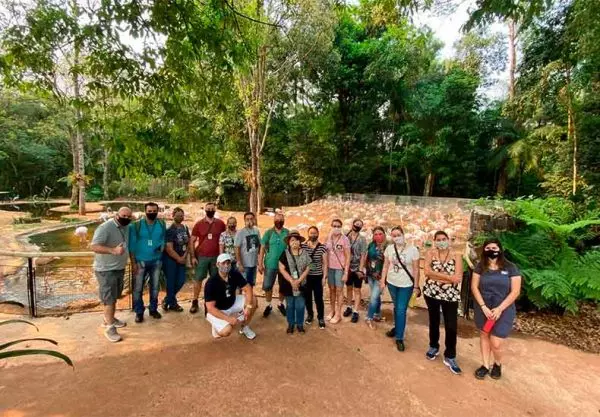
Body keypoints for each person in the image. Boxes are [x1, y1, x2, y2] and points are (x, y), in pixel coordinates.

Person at [471, 239, 522, 380]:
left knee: (496, 342)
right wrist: (483, 307)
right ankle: (485, 365)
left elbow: (515, 291)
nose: (491, 250)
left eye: (494, 248)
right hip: (484, 308)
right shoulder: (480, 267)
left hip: (503, 309)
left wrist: (499, 309)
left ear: (500, 249)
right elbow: (474, 287)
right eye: (488, 248)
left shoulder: (510, 267)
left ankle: (497, 364)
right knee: (484, 334)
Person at [423, 231, 463, 375]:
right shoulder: (430, 253)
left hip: (450, 294)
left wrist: (436, 277)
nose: (441, 241)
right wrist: (448, 278)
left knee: (451, 325)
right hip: (431, 292)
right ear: (434, 241)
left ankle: (450, 355)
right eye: (438, 239)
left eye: (443, 239)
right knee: (433, 321)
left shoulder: (457, 256)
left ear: (448, 240)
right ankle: (433, 346)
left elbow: (458, 277)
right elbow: (426, 272)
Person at [90, 206, 132, 342]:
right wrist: (113, 250)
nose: (126, 218)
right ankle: (109, 327)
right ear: (116, 215)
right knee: (109, 299)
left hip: (119, 267)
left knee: (115, 296)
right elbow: (94, 246)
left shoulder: (126, 227)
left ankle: (110, 318)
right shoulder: (105, 227)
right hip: (106, 269)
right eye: (123, 216)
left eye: (128, 217)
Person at [381, 226, 420, 352]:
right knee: (396, 307)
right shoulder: (389, 248)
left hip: (406, 284)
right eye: (394, 236)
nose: (396, 237)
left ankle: (399, 337)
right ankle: (397, 328)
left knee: (401, 309)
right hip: (392, 282)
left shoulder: (413, 250)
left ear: (403, 235)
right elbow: (386, 266)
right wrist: (383, 280)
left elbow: (416, 269)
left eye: (398, 235)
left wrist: (416, 286)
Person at [204, 253, 257, 340]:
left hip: (231, 302)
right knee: (226, 331)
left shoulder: (234, 274)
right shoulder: (211, 282)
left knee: (253, 300)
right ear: (217, 264)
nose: (226, 265)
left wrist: (248, 306)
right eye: (223, 263)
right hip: (217, 309)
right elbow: (210, 308)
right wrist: (228, 319)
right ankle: (216, 327)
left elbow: (248, 288)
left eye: (228, 263)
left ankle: (244, 327)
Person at [129, 202, 167, 323]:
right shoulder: (136, 225)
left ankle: (153, 309)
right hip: (140, 261)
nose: (152, 213)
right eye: (149, 211)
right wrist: (133, 263)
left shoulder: (161, 224)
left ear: (157, 211)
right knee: (138, 288)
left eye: (154, 211)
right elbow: (131, 246)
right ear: (145, 211)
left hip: (156, 261)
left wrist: (162, 246)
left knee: (155, 287)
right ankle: (139, 312)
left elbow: (163, 238)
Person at [189, 202, 226, 314]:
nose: (210, 211)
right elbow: (192, 241)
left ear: (215, 210)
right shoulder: (199, 224)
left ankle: (214, 302)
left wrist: (223, 257)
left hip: (216, 257)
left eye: (212, 209)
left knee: (216, 280)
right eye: (208, 209)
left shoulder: (220, 224)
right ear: (205, 210)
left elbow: (225, 238)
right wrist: (193, 256)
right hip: (202, 256)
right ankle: (195, 301)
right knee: (198, 279)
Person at [278, 231, 312, 334]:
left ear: (300, 241)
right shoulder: (285, 253)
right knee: (290, 305)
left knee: (300, 306)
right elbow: (281, 268)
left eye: (297, 240)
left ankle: (300, 324)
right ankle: (291, 324)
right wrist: (292, 281)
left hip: (301, 284)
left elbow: (310, 266)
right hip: (288, 285)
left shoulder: (305, 253)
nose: (295, 242)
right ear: (289, 242)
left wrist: (299, 280)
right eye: (292, 240)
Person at [258, 212, 289, 318]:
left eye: (281, 219)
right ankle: (268, 305)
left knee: (283, 286)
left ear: (284, 221)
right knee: (267, 286)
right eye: (277, 219)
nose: (279, 221)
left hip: (284, 265)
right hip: (270, 264)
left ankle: (280, 304)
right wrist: (260, 263)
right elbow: (262, 248)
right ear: (274, 220)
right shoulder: (268, 233)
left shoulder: (287, 232)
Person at [162, 207, 189, 312]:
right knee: (171, 282)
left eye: (181, 216)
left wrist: (184, 256)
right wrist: (179, 258)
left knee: (181, 280)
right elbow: (169, 248)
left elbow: (188, 243)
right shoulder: (170, 230)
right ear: (172, 216)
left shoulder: (185, 227)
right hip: (170, 260)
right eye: (178, 215)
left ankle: (167, 300)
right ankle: (173, 304)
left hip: (182, 258)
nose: (180, 217)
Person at [301, 226, 328, 329]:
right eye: (311, 233)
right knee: (307, 297)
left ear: (318, 234)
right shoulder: (303, 246)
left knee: (318, 298)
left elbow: (325, 263)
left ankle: (320, 317)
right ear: (308, 234)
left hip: (317, 276)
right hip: (306, 276)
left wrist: (324, 277)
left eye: (315, 233)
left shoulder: (322, 247)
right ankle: (310, 315)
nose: (313, 235)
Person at [326, 219, 351, 324]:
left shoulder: (345, 239)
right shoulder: (328, 238)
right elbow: (325, 252)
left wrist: (346, 272)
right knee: (332, 289)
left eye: (338, 226)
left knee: (339, 290)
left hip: (340, 268)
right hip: (330, 268)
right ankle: (332, 310)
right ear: (331, 226)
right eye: (334, 226)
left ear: (341, 227)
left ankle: (338, 314)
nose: (336, 228)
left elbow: (348, 256)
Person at [343, 219, 367, 323]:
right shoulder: (346, 237)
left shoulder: (362, 239)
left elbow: (363, 255)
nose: (357, 226)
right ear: (352, 224)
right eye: (356, 224)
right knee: (348, 288)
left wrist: (360, 270)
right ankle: (349, 306)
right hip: (348, 267)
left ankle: (356, 311)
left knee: (357, 290)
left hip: (357, 267)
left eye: (359, 225)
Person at [365, 226, 387, 329]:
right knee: (376, 296)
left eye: (380, 234)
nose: (378, 236)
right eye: (376, 234)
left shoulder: (388, 247)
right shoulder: (371, 245)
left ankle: (369, 318)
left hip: (380, 276)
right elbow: (367, 258)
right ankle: (377, 314)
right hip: (370, 274)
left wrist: (384, 279)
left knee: (373, 297)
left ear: (384, 235)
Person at [235, 212, 261, 287]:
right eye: (247, 219)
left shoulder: (256, 231)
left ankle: (250, 295)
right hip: (245, 264)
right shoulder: (240, 232)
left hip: (254, 263)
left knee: (251, 284)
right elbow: (237, 248)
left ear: (254, 219)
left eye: (251, 219)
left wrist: (259, 261)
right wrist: (239, 263)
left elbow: (259, 245)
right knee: (243, 285)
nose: (249, 221)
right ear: (244, 220)